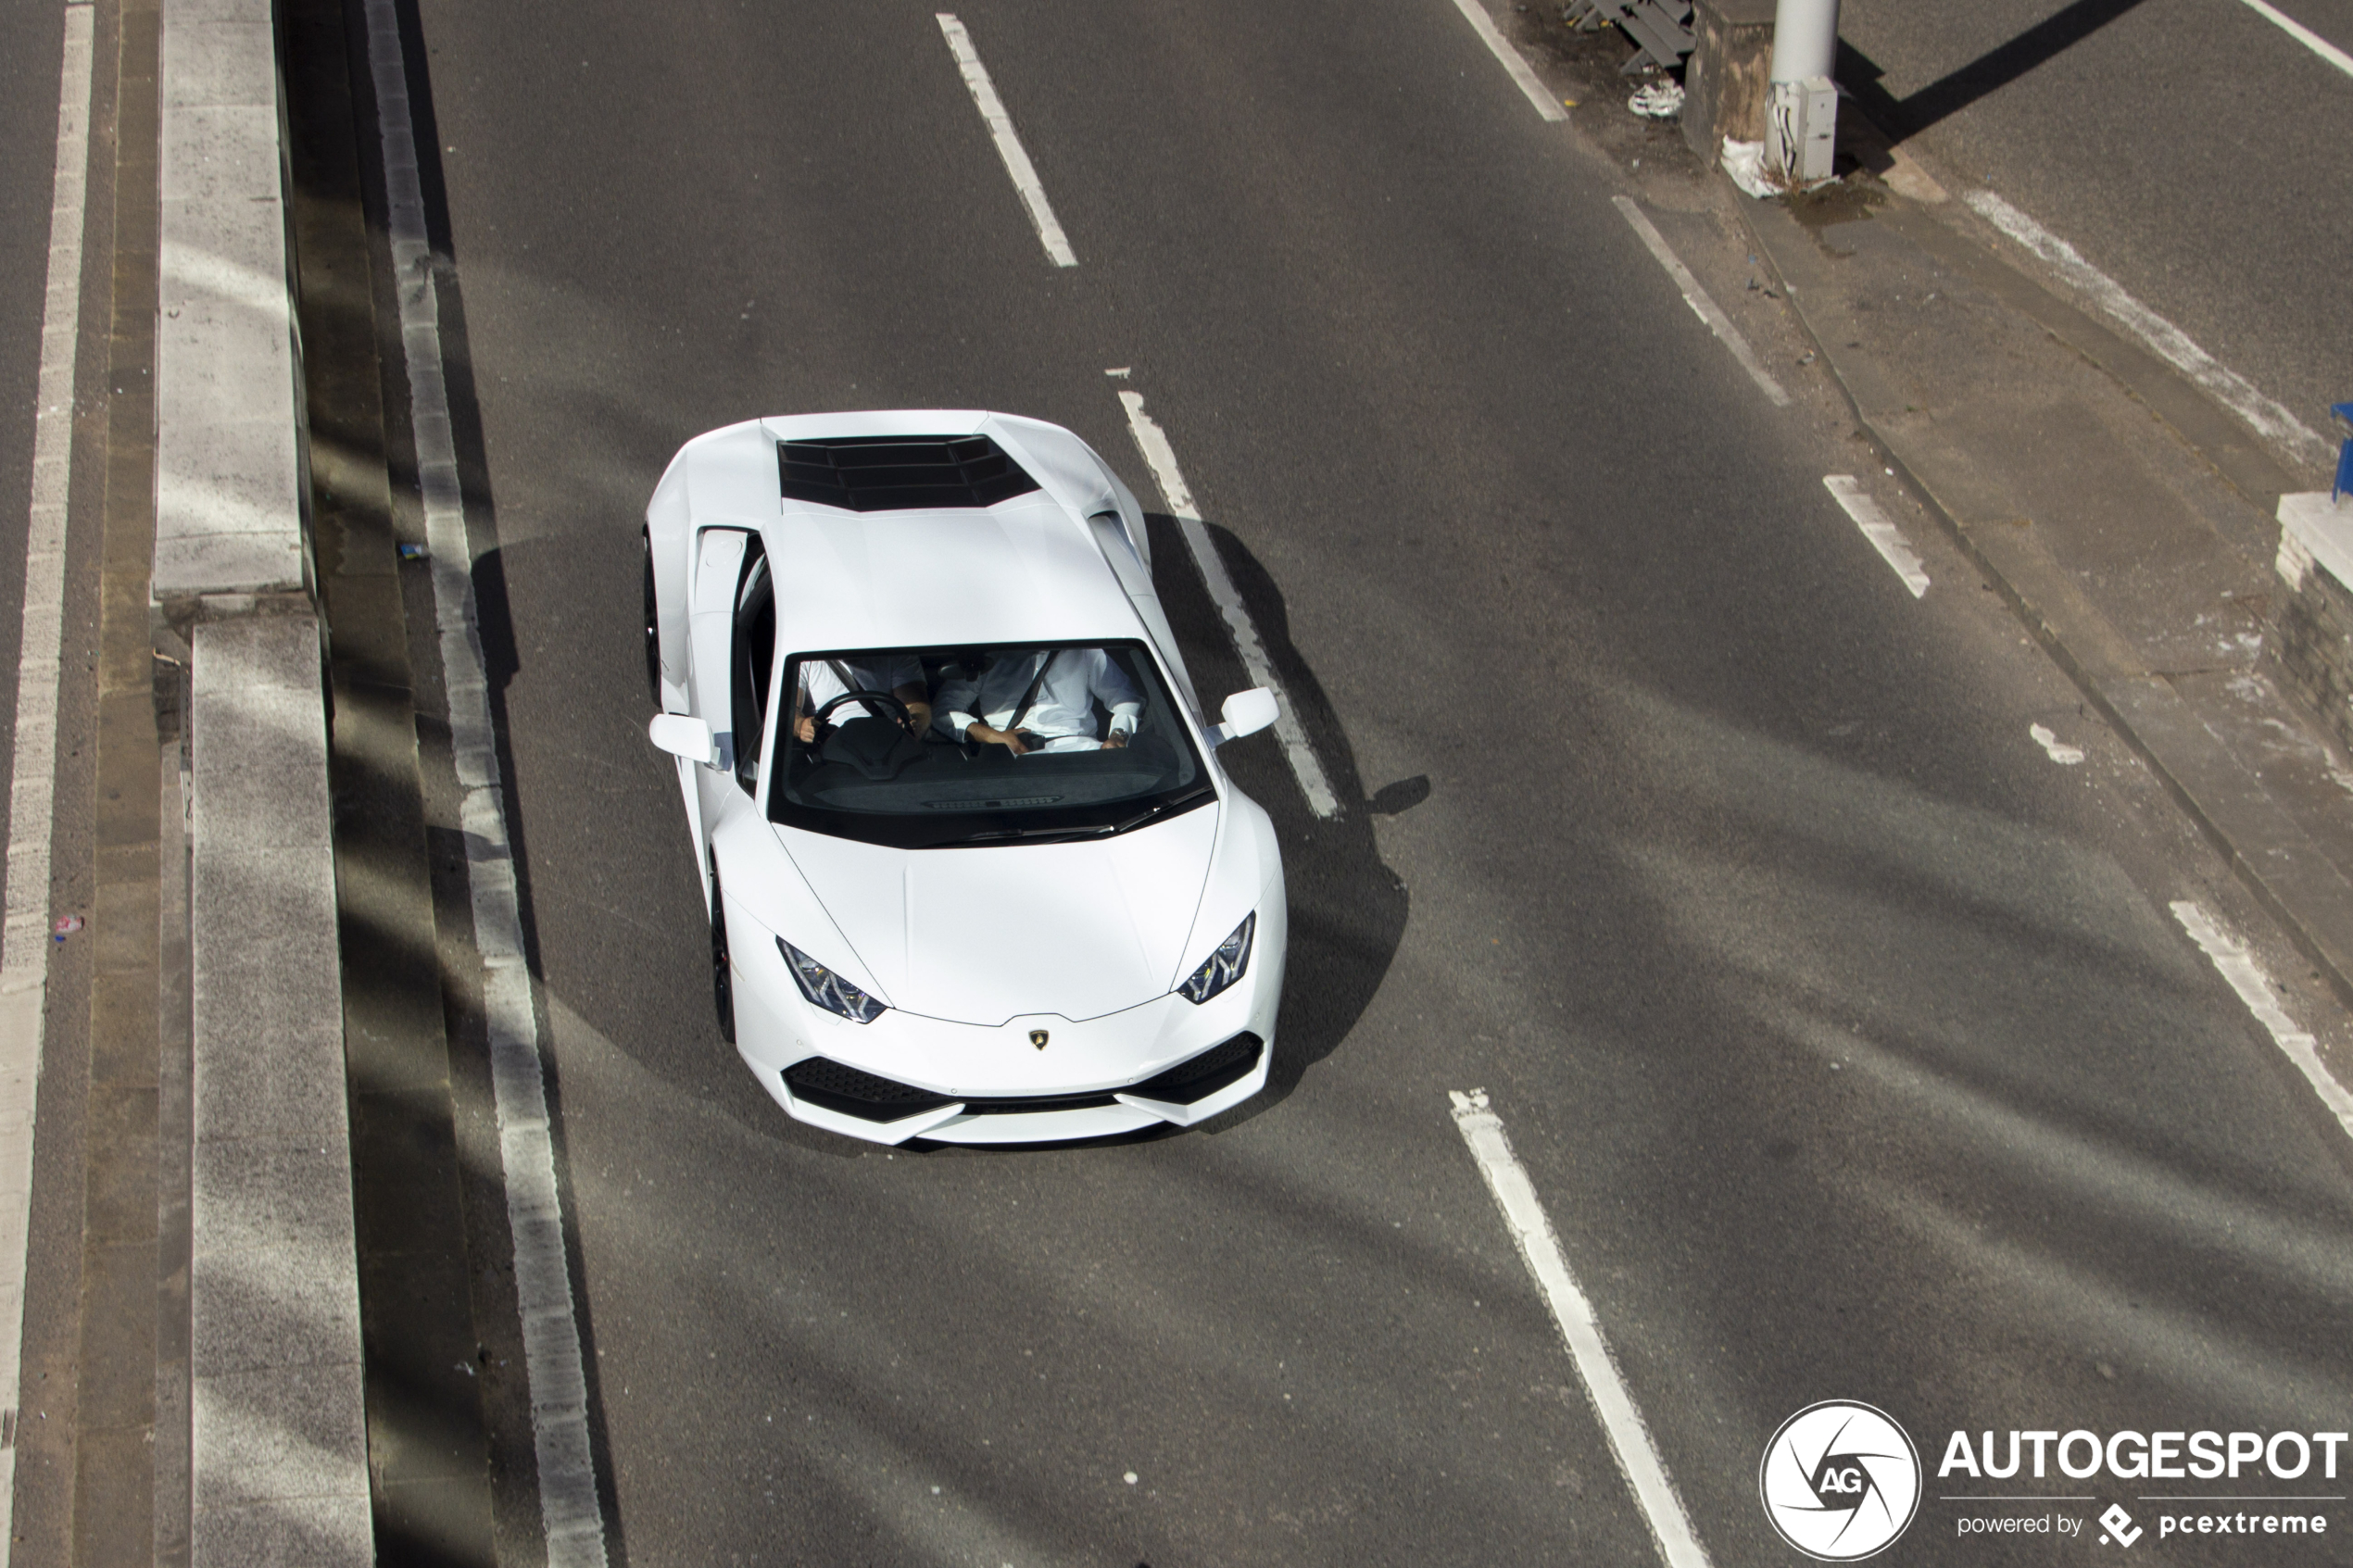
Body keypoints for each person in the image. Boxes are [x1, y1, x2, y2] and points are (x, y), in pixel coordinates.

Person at [936, 647, 1142, 755]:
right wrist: (993, 737)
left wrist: (1119, 735)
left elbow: (1124, 696)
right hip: (1013, 759)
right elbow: (943, 711)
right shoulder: (985, 658)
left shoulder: (1083, 648)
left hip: (1082, 754)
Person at [792, 653, 932, 743]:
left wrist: (915, 725)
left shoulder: (895, 651)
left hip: (889, 742)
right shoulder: (805, 656)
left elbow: (917, 704)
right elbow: (790, 709)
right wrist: (800, 725)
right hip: (829, 747)